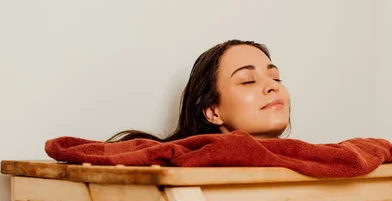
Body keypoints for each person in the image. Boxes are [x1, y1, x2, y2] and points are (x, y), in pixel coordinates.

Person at [109, 39, 291, 142]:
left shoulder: (310, 163)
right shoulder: (190, 170)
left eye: (275, 78)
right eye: (248, 81)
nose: (273, 86)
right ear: (213, 111)